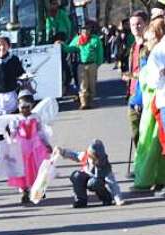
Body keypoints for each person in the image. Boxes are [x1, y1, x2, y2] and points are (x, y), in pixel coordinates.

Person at [133, 17, 165, 191]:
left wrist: (135, 100)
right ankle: (156, 178)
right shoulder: (153, 53)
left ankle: (145, 179)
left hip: (154, 106)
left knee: (151, 147)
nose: (146, 42)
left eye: (149, 38)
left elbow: (149, 83)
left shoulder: (157, 53)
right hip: (155, 104)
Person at [3, 90, 52, 203]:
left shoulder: (36, 117)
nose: (25, 110)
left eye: (27, 107)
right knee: (23, 171)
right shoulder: (15, 120)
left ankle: (38, 190)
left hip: (36, 148)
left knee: (37, 169)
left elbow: (41, 132)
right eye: (22, 107)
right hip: (22, 149)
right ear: (18, 107)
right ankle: (25, 191)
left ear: (32, 106)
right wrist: (11, 146)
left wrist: (47, 144)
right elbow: (13, 134)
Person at [55, 139, 124, 205]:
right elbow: (75, 155)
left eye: (94, 158)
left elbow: (113, 184)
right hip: (86, 177)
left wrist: (118, 199)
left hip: (97, 181)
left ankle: (106, 198)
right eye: (90, 157)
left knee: (94, 183)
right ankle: (81, 200)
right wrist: (62, 151)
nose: (91, 160)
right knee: (76, 176)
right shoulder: (86, 156)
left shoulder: (104, 167)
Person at [125, 10, 150, 146]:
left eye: (139, 24)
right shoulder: (133, 46)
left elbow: (148, 72)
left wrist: (141, 97)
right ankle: (140, 161)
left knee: (146, 135)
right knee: (135, 133)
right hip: (132, 93)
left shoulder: (148, 46)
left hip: (145, 95)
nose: (136, 27)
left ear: (146, 24)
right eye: (133, 24)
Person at [68, 21, 105, 108]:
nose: (85, 31)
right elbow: (69, 48)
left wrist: (98, 63)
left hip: (92, 64)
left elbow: (100, 52)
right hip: (81, 65)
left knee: (92, 85)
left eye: (87, 29)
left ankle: (90, 102)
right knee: (82, 84)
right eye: (83, 29)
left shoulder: (95, 39)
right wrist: (61, 45)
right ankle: (83, 103)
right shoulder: (77, 39)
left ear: (90, 30)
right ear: (81, 31)